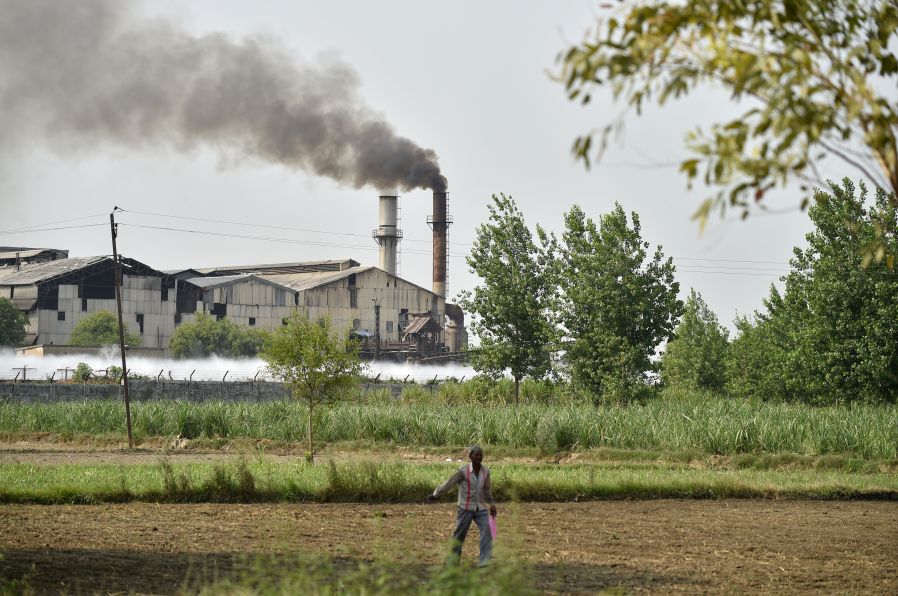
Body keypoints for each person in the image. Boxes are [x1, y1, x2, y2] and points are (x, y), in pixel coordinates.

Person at [427, 444, 497, 566]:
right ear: (470, 456)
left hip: (480, 507)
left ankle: (485, 561)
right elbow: (449, 483)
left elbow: (486, 489)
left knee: (487, 530)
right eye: (476, 455)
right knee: (459, 535)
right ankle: (451, 562)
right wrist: (436, 494)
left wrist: (492, 504)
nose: (478, 457)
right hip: (465, 507)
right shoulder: (463, 471)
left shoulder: (486, 471)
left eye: (480, 455)